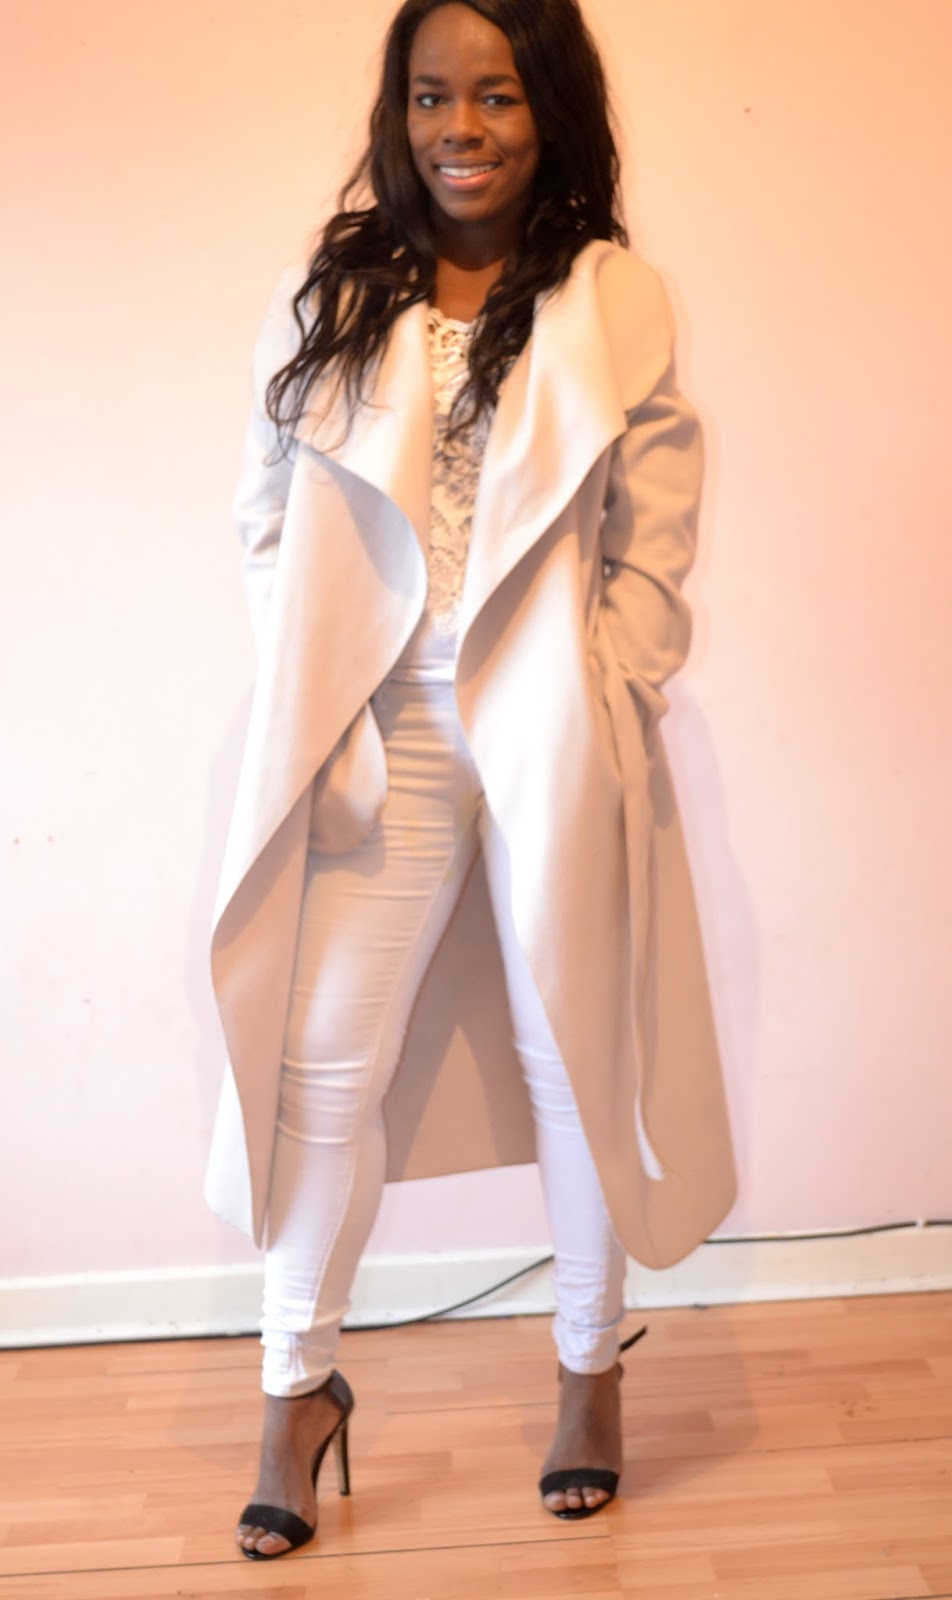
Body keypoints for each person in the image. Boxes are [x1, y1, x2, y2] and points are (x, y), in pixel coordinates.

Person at [207, 0, 735, 1561]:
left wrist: (612, 686)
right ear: (401, 112)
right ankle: (294, 1389)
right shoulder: (332, 294)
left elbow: (656, 536)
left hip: (553, 725)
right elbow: (264, 519)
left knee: (578, 1051)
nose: (462, 128)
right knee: (320, 1066)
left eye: (496, 95)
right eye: (433, 96)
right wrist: (318, 692)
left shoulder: (610, 296)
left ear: (548, 106)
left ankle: (589, 1370)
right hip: (386, 730)